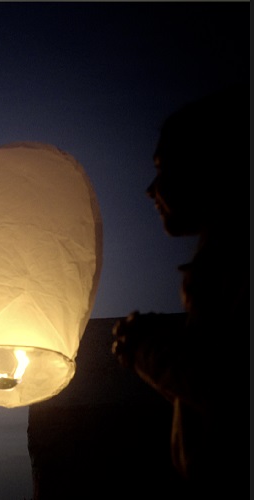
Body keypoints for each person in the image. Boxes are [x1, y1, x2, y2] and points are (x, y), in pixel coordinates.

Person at [111, 84, 248, 497]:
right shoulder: (219, 268)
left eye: (164, 168)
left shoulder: (236, 265)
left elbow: (232, 391)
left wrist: (146, 348)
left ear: (212, 164)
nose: (152, 190)